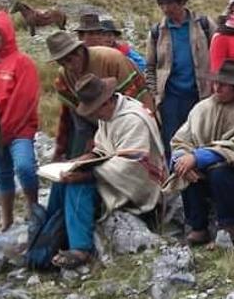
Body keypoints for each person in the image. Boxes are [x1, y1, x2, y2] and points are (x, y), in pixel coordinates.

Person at [48, 74, 165, 269]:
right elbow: (103, 148)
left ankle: (80, 248)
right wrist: (84, 160)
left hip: (140, 186)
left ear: (108, 101)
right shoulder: (109, 115)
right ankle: (51, 233)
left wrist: (88, 173)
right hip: (116, 175)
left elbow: (132, 165)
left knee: (79, 184)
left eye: (96, 110)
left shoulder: (133, 119)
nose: (95, 116)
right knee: (62, 180)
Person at [165, 59, 234, 246]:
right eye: (216, 83)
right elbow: (181, 139)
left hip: (232, 172)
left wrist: (197, 158)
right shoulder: (202, 108)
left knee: (219, 172)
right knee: (185, 170)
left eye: (224, 85)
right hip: (199, 168)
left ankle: (231, 225)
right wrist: (182, 159)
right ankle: (198, 227)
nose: (217, 88)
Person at [46, 31, 155, 165]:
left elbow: (137, 102)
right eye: (62, 63)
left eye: (70, 60)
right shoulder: (64, 75)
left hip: (130, 125)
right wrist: (62, 150)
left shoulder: (111, 59)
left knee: (130, 164)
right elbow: (72, 114)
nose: (68, 67)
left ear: (79, 51)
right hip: (96, 130)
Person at [0, 10, 40, 231]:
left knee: (24, 167)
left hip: (19, 130)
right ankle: (7, 220)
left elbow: (23, 102)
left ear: (7, 35)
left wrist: (3, 131)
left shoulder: (23, 63)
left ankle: (34, 211)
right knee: (1, 175)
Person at [146, 0, 216, 161]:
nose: (166, 8)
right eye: (162, 3)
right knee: (172, 143)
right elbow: (150, 67)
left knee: (201, 139)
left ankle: (198, 184)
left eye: (170, 3)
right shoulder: (156, 32)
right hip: (171, 99)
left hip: (201, 95)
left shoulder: (203, 25)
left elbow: (217, 58)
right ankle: (175, 182)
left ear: (181, 2)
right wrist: (155, 96)